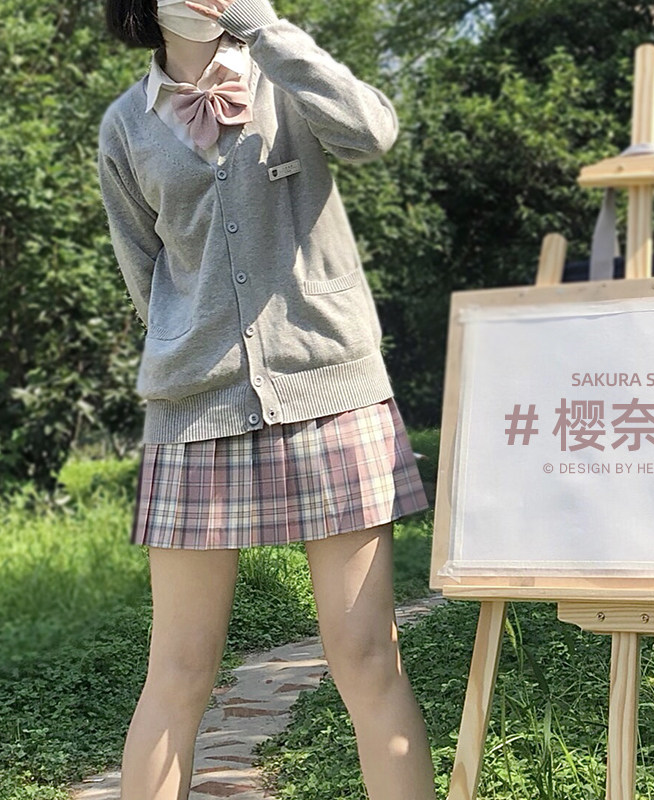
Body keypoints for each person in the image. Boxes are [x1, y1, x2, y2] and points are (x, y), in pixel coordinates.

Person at [96, 0, 438, 797]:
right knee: (178, 670)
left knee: (366, 655)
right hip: (194, 410)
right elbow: (147, 275)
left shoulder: (285, 78)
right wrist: (201, 343)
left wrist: (267, 30)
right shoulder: (125, 126)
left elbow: (373, 133)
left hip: (331, 390)